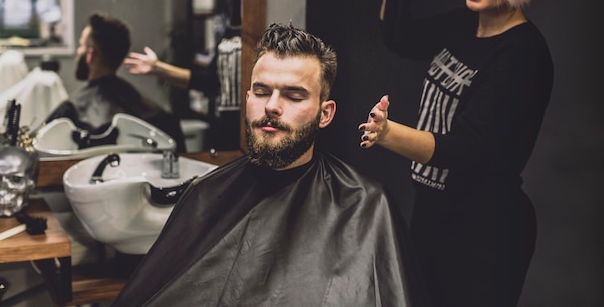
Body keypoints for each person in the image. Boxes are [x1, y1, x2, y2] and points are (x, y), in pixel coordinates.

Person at [111, 23, 430, 307]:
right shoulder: (205, 194)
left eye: (294, 96)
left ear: (325, 113)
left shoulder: (365, 206)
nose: (272, 106)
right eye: (262, 92)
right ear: (248, 99)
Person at [358, 0, 553, 307]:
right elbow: (403, 39)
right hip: (436, 215)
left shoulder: (524, 53)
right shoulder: (468, 23)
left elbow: (466, 148)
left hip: (486, 232)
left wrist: (387, 133)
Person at [124, 0, 243, 151]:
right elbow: (208, 81)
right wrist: (157, 68)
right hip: (224, 132)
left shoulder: (261, 22)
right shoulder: (229, 29)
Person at [44, 12, 186, 152]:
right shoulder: (157, 115)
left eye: (81, 45)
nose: (78, 51)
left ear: (91, 55)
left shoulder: (69, 110)